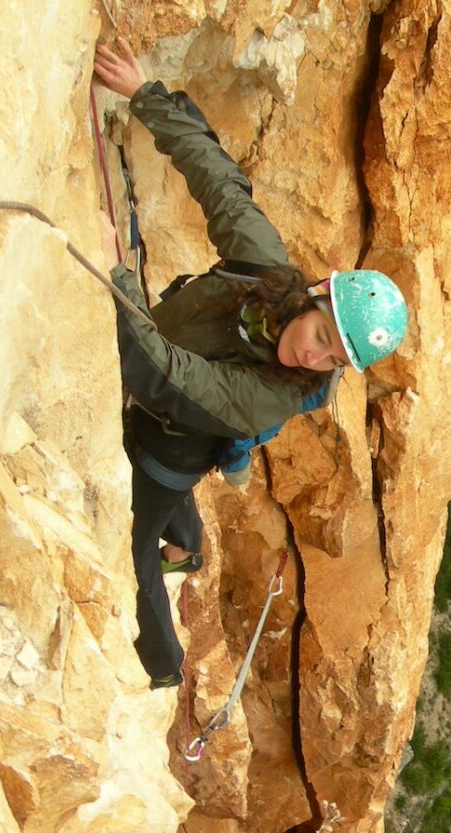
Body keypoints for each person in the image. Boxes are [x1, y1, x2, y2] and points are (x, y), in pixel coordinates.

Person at [93, 39, 408, 690]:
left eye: (332, 357)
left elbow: (172, 380)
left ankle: (163, 667)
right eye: (322, 334)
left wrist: (117, 281)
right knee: (171, 506)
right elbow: (220, 184)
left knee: (133, 550)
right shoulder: (265, 270)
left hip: (164, 443)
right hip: (172, 399)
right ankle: (191, 541)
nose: (312, 355)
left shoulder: (279, 395)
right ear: (317, 292)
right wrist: (145, 94)